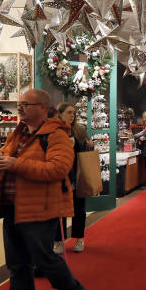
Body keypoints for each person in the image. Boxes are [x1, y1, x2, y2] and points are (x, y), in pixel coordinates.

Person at [0, 88, 87, 290]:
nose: (19, 108)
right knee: (17, 264)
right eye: (19, 104)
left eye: (25, 105)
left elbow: (58, 169)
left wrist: (15, 164)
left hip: (40, 208)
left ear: (42, 108)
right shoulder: (18, 134)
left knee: (43, 259)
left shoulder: (56, 135)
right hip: (12, 207)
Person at [55, 102, 93, 253]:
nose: (72, 115)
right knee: (59, 210)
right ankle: (58, 241)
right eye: (69, 112)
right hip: (59, 176)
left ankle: (80, 239)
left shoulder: (79, 130)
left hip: (77, 175)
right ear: (60, 113)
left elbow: (84, 150)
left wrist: (88, 145)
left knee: (79, 209)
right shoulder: (55, 130)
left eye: (74, 113)